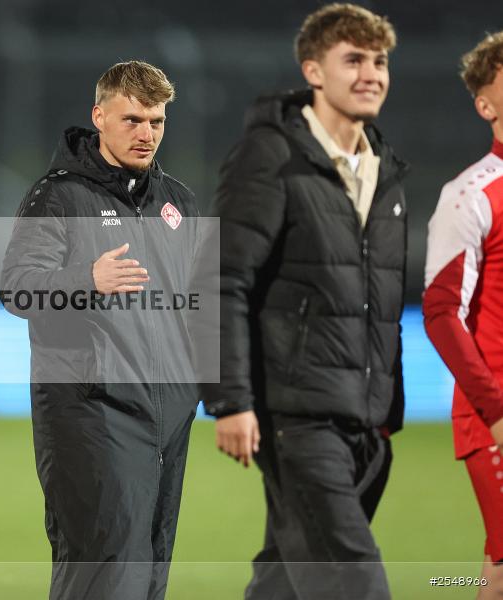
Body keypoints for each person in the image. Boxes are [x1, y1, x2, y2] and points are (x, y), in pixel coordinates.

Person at [203, 5, 407, 599]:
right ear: (313, 71)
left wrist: (384, 408)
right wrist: (232, 401)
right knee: (356, 583)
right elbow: (223, 279)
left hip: (365, 422)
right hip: (297, 416)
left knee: (285, 582)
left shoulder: (385, 170)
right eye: (354, 60)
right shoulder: (271, 156)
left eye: (380, 61)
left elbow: (377, 300)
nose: (371, 74)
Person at [0, 61, 201, 600]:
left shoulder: (177, 202)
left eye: (157, 122)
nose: (147, 133)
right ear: (99, 117)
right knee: (102, 572)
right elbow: (18, 288)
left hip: (167, 418)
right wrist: (87, 279)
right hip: (90, 412)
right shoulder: (58, 197)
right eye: (133, 120)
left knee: (150, 572)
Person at [424, 31, 503, 600]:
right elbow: (441, 313)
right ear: (486, 104)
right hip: (496, 415)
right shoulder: (469, 194)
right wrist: (495, 412)